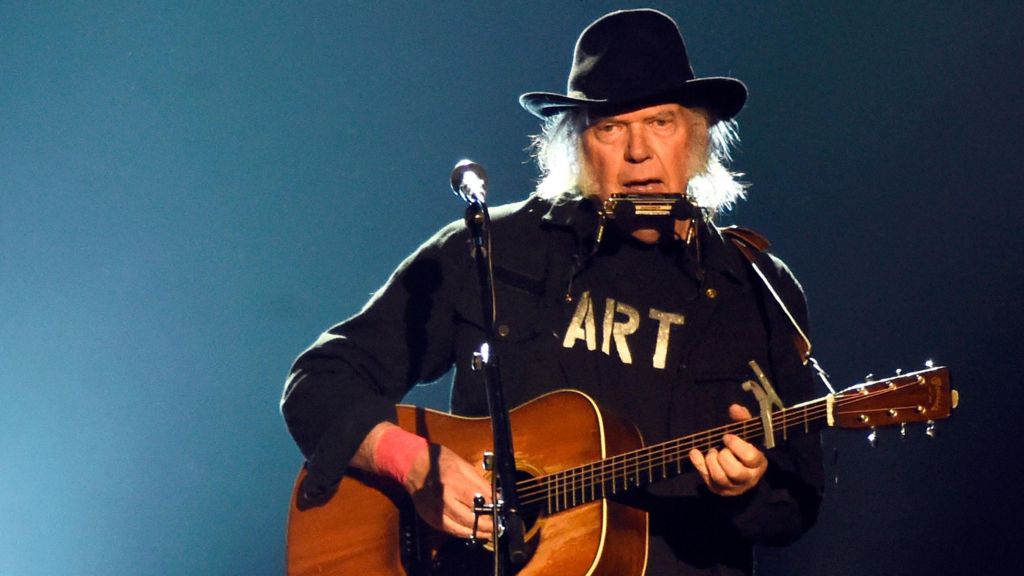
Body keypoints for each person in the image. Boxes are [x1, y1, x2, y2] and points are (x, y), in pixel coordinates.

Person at [281, 8, 823, 575]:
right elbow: (319, 382)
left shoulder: (758, 288)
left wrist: (748, 490)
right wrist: (416, 465)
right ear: (576, 144)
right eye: (610, 127)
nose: (638, 152)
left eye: (660, 122)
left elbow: (800, 502)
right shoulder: (491, 247)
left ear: (698, 136)